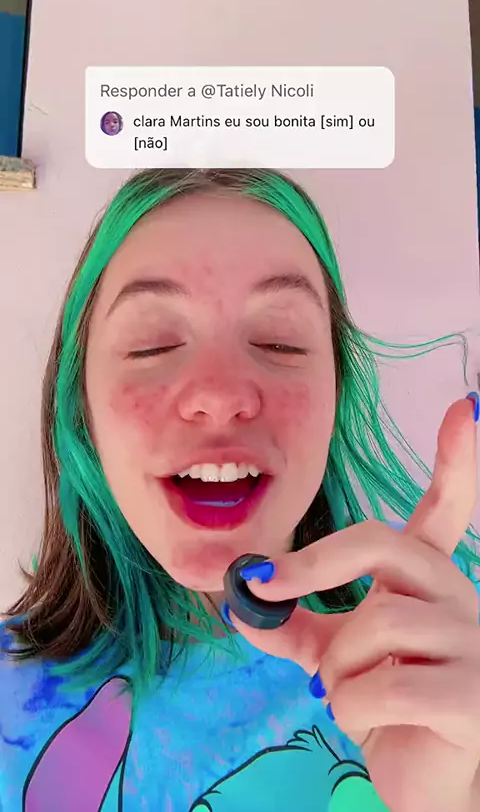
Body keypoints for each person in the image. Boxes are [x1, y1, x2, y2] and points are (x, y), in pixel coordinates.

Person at [0, 167, 479, 812]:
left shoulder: (453, 652)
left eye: (279, 341)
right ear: (80, 404)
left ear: (336, 393)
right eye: (153, 345)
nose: (219, 395)